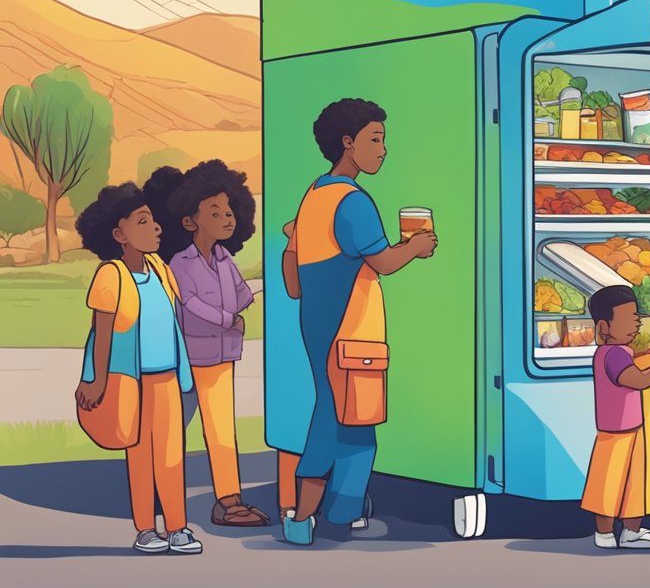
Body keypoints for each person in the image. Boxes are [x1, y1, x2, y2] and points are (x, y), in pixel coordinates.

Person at [280, 98, 438, 546]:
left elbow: (293, 284)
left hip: (318, 326)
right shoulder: (353, 202)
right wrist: (417, 247)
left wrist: (293, 241)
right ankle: (301, 515)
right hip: (349, 329)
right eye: (375, 139)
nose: (383, 149)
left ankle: (345, 510)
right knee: (336, 418)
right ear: (347, 143)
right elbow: (384, 262)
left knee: (355, 419)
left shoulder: (313, 195)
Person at [74, 182, 202, 554]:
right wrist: (96, 381)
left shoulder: (160, 269)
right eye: (144, 222)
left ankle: (178, 527)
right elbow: (102, 334)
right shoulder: (110, 275)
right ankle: (146, 529)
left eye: (154, 221)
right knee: (139, 454)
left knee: (171, 455)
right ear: (119, 234)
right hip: (129, 381)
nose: (157, 228)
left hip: (166, 379)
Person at [143, 160, 269, 527]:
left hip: (221, 355)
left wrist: (258, 294)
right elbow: (192, 305)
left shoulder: (225, 259)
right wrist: (230, 319)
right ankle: (156, 489)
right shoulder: (180, 263)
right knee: (170, 426)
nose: (227, 218)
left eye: (229, 211)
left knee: (221, 428)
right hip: (185, 357)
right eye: (215, 212)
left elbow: (243, 294)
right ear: (189, 221)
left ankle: (229, 501)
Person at [580, 285, 650, 550]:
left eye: (636, 315)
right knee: (608, 482)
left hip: (630, 428)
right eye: (628, 317)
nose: (636, 321)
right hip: (615, 432)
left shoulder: (619, 351)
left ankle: (631, 530)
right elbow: (639, 381)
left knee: (631, 483)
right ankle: (605, 534)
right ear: (604, 326)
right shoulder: (613, 354)